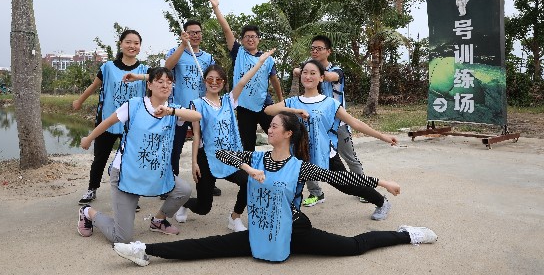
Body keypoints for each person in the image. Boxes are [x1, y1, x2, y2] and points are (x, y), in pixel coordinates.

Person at [112, 111, 436, 266]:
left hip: (295, 230)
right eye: (271, 125)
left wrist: (382, 182)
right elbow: (221, 154)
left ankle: (406, 235)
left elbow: (342, 179)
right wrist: (248, 168)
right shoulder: (257, 157)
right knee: (208, 246)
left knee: (351, 246)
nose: (270, 128)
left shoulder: (300, 167)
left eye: (275, 126)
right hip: (261, 230)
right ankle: (144, 250)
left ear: (288, 134)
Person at [77, 67, 201, 242]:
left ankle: (158, 220)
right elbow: (108, 122)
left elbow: (197, 116)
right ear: (149, 85)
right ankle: (88, 212)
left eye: (169, 82)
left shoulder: (174, 110)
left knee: (183, 190)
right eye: (160, 81)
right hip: (127, 174)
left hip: (155, 174)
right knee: (122, 238)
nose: (165, 85)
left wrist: (170, 111)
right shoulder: (134, 105)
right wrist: (89, 138)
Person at [265, 59, 398, 221]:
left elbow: (354, 123)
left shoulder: (330, 103)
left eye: (313, 73)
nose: (308, 76)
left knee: (347, 185)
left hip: (325, 154)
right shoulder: (293, 102)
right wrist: (293, 111)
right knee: (290, 184)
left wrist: (382, 136)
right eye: (305, 72)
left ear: (321, 78)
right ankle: (286, 218)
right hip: (299, 154)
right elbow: (268, 110)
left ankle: (382, 202)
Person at [174, 49, 276, 232]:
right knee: (204, 208)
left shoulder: (229, 101)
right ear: (204, 81)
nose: (214, 83)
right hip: (207, 158)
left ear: (223, 82)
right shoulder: (197, 104)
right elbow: (197, 135)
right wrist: (194, 162)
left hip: (230, 156)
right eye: (210, 79)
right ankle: (185, 204)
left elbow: (243, 81)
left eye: (218, 80)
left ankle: (234, 217)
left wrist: (260, 62)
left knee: (249, 181)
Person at [72, 29, 148, 206]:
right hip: (107, 120)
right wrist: (79, 101)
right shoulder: (108, 68)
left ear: (140, 47)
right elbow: (94, 86)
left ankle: (130, 194)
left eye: (136, 43)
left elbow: (159, 77)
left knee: (130, 159)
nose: (132, 46)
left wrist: (138, 77)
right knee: (100, 157)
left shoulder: (144, 70)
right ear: (121, 44)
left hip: (132, 123)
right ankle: (92, 189)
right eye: (128, 42)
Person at [293, 35, 368, 207]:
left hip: (337, 124)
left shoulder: (337, 70)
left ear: (328, 51)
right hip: (313, 124)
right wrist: (303, 70)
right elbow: (296, 71)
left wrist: (307, 71)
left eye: (319, 48)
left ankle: (364, 188)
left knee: (350, 158)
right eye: (313, 48)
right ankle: (316, 193)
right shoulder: (308, 66)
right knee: (307, 157)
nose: (315, 51)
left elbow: (330, 76)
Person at [208, 0, 284, 152]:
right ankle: (249, 168)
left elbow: (274, 80)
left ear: (259, 39)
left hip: (264, 104)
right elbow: (226, 29)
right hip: (244, 107)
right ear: (242, 40)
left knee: (279, 138)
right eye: (247, 36)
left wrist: (281, 101)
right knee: (247, 146)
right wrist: (216, 8)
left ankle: (281, 164)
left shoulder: (267, 58)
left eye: (254, 36)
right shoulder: (238, 53)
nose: (250, 39)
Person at [164, 21, 218, 198]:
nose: (195, 35)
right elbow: (166, 68)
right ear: (184, 34)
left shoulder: (208, 58)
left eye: (198, 32)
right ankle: (170, 184)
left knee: (205, 147)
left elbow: (214, 79)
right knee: (175, 148)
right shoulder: (176, 52)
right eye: (191, 32)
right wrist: (182, 45)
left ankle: (207, 182)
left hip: (200, 109)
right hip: (179, 109)